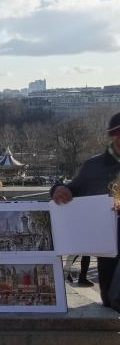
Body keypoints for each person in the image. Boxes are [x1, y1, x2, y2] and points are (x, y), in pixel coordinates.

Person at [52, 111, 120, 307]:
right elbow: (71, 191)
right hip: (111, 251)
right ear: (115, 136)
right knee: (111, 301)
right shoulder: (94, 167)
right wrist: (58, 190)